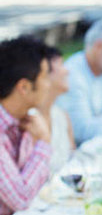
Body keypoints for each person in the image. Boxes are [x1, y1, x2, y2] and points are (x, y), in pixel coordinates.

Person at [0, 36, 52, 215]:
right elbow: (21, 198)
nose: (49, 84)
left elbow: (37, 183)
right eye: (45, 76)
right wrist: (44, 142)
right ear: (23, 87)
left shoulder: (23, 120)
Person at [39, 46, 75, 175]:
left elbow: (74, 162)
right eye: (61, 65)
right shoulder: (28, 122)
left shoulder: (61, 115)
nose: (67, 71)